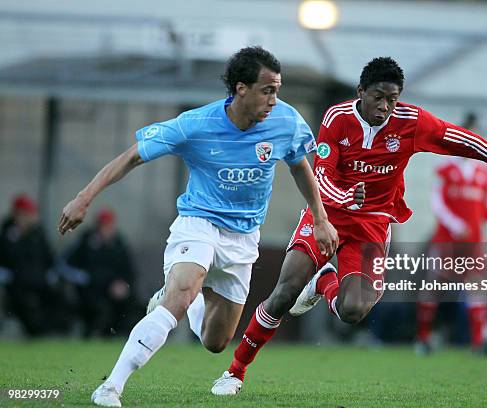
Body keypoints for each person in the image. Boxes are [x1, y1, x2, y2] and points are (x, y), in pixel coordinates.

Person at [211, 57, 487, 396]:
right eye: (378, 97)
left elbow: (462, 139)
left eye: (392, 99)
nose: (385, 107)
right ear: (361, 92)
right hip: (327, 214)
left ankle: (324, 284)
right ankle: (235, 372)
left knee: (352, 311)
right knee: (284, 293)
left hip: (372, 226)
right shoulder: (337, 117)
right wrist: (348, 197)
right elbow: (321, 176)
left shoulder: (411, 122)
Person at [57, 46, 338, 407]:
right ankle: (111, 386)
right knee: (180, 296)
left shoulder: (286, 121)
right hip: (199, 223)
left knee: (215, 342)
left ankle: (186, 298)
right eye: (267, 90)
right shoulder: (196, 125)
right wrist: (84, 198)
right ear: (241, 89)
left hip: (243, 237)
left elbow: (300, 166)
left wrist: (320, 217)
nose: (274, 99)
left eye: (277, 90)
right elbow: (131, 156)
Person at [415, 113, 487, 355]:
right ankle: (423, 338)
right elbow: (437, 202)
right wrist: (454, 223)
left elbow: (482, 204)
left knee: (476, 288)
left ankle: (477, 343)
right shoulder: (445, 169)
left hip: (473, 241)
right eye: (469, 136)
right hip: (446, 240)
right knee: (433, 287)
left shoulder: (483, 174)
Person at [66, 208, 139, 337]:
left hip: (115, 290)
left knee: (133, 305)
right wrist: (91, 281)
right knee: (100, 309)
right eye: (104, 226)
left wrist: (123, 285)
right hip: (92, 290)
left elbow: (129, 270)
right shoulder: (86, 241)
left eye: (110, 226)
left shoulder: (119, 243)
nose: (107, 229)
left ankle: (122, 336)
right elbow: (69, 266)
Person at [0, 194, 57, 336]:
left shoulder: (37, 233)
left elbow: (49, 258)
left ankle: (50, 332)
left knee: (58, 299)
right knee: (25, 303)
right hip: (17, 284)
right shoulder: (7, 234)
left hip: (40, 282)